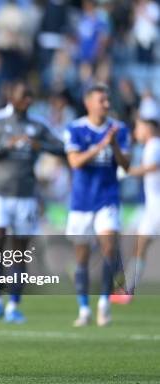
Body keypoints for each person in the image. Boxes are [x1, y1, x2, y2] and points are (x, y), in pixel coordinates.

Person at [0, 81, 64, 324]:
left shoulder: (38, 124)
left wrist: (40, 145)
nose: (28, 101)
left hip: (26, 196)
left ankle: (14, 305)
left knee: (19, 252)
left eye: (30, 96)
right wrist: (6, 145)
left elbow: (62, 147)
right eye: (23, 96)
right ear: (11, 96)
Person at [64, 83, 130, 327]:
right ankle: (83, 308)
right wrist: (101, 146)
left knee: (109, 248)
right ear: (88, 103)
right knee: (81, 258)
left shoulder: (120, 129)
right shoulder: (76, 129)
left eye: (107, 100)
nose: (106, 104)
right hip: (81, 202)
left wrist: (113, 145)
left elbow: (126, 165)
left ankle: (104, 303)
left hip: (107, 199)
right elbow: (75, 162)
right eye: (102, 100)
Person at [112, 118, 160, 303]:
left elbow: (154, 167)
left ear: (148, 129)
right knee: (139, 246)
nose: (136, 131)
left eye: (138, 127)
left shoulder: (154, 145)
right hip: (152, 207)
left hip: (156, 208)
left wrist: (128, 171)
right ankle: (127, 290)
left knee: (140, 246)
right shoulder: (151, 146)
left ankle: (127, 290)